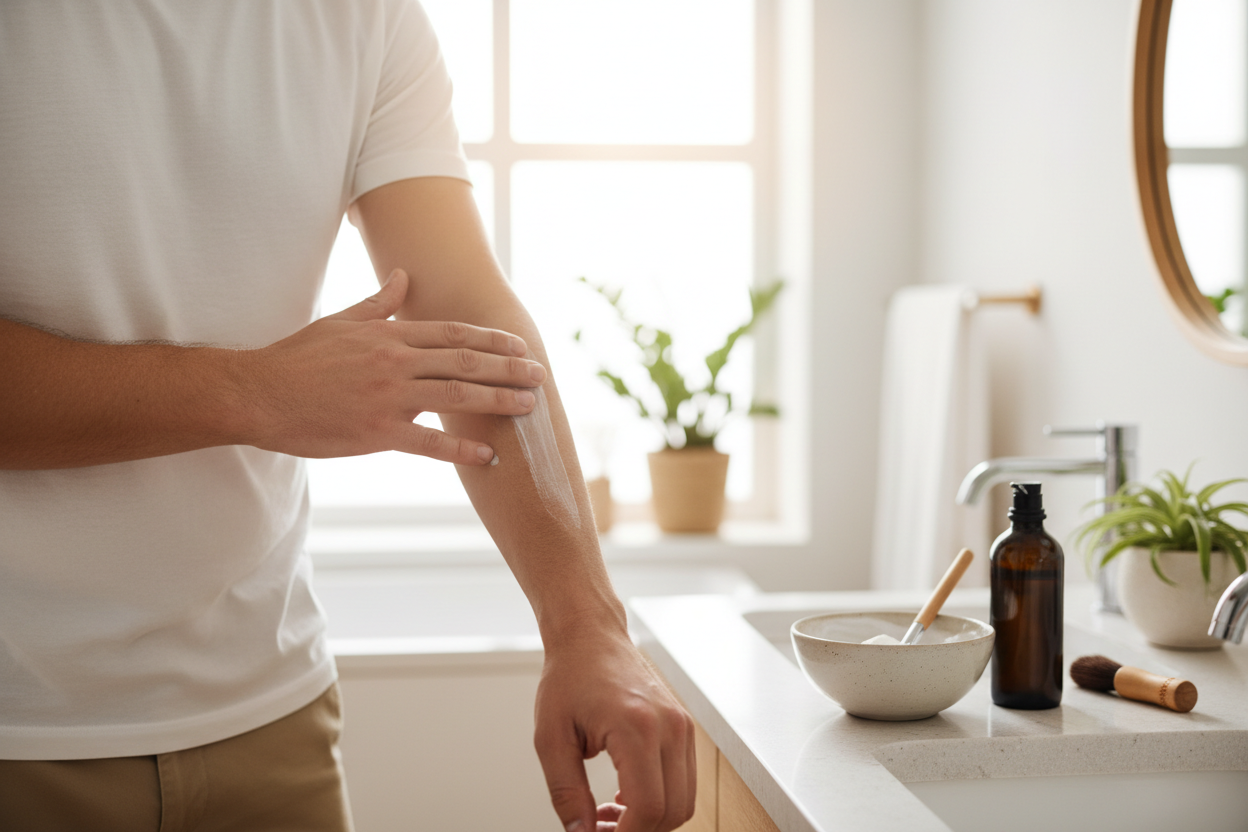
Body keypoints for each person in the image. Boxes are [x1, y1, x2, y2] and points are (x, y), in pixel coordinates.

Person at [0, 2, 695, 831]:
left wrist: (588, 624)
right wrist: (255, 393)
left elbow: (466, 309)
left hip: (272, 720)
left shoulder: (367, 18)